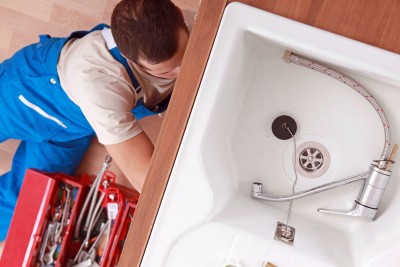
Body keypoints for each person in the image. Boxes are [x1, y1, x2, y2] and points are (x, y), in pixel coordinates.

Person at [0, 0, 189, 242]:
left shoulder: (187, 29)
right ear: (130, 57)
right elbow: (148, 180)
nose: (183, 71)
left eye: (184, 59)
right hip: (26, 92)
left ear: (179, 15)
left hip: (74, 128)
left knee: (28, 201)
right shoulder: (102, 86)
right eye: (168, 71)